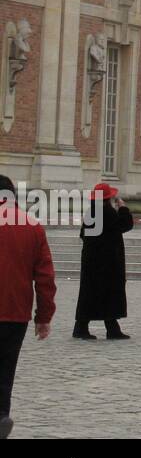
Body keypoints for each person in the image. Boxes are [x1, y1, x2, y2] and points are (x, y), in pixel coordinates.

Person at [0, 174, 56, 439]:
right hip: (15, 314)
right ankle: (0, 415)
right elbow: (45, 277)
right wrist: (43, 317)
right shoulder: (32, 226)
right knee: (5, 370)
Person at [73, 183, 133, 340]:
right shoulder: (108, 212)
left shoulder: (91, 212)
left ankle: (82, 327)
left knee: (89, 294)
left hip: (91, 261)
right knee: (110, 293)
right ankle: (111, 328)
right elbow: (125, 225)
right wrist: (123, 209)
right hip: (108, 263)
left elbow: (82, 234)